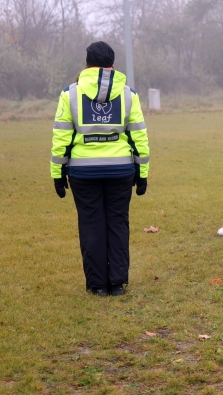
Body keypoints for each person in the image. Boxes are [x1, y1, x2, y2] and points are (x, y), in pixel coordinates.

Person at [50, 41, 150, 297]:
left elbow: (61, 137)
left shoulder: (70, 93)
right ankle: (117, 283)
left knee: (91, 224)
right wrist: (142, 173)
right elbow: (139, 136)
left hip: (83, 172)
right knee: (118, 223)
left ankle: (98, 285)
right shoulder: (129, 94)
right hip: (120, 169)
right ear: (112, 63)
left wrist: (57, 174)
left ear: (87, 62)